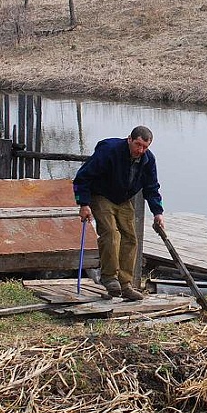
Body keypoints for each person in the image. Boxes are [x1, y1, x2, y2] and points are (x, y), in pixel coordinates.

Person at [73, 126, 165, 301]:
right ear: (129, 139)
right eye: (138, 144)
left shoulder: (148, 160)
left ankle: (125, 284)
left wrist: (157, 212)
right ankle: (109, 279)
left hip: (123, 199)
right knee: (111, 234)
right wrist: (83, 204)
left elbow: (152, 187)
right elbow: (82, 177)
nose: (140, 150)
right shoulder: (109, 151)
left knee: (130, 238)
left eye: (145, 147)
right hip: (101, 195)